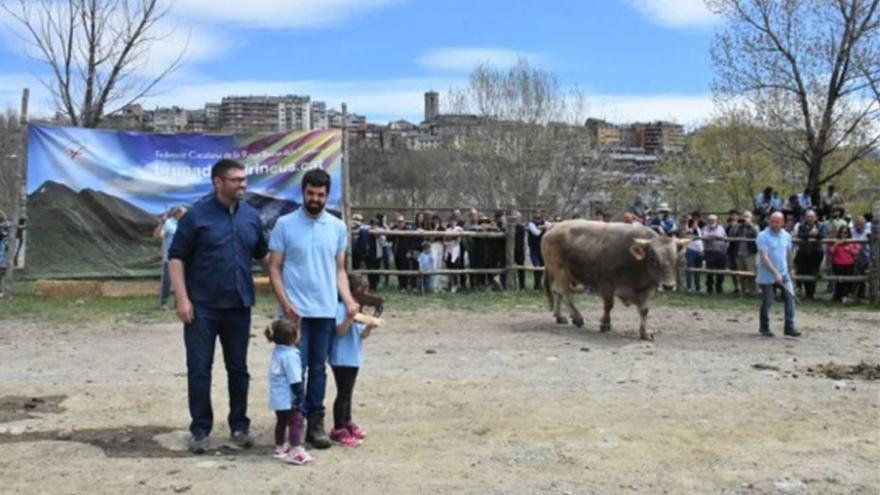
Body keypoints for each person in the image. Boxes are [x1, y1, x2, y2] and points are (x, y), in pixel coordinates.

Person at [168, 159, 269, 454]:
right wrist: (183, 299)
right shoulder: (196, 216)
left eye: (244, 179)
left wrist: (287, 285)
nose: (243, 184)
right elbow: (176, 258)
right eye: (236, 179)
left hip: (239, 306)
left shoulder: (250, 216)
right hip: (202, 309)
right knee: (199, 369)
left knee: (239, 369)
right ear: (218, 182)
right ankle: (200, 430)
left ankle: (239, 425)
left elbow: (264, 256)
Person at [267, 168, 358, 450]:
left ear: (327, 195)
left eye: (320, 194)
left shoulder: (338, 227)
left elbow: (339, 269)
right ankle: (295, 420)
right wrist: (286, 304)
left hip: (325, 311)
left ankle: (315, 425)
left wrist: (349, 300)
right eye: (310, 193)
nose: (315, 198)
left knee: (318, 369)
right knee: (296, 368)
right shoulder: (284, 224)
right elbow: (274, 267)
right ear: (303, 192)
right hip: (296, 314)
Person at [329, 274, 377, 447]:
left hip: (354, 356)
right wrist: (350, 317)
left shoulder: (358, 309)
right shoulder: (340, 308)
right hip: (341, 357)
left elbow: (361, 334)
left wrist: (370, 327)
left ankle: (347, 420)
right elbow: (340, 331)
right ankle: (338, 428)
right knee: (343, 393)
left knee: (348, 393)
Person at [265, 319, 313, 465]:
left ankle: (280, 446)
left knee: (281, 421)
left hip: (277, 397)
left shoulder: (277, 352)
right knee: (296, 421)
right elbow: (294, 379)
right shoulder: (291, 356)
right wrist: (299, 397)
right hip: (289, 397)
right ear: (294, 337)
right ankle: (296, 450)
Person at [756, 211, 800, 337]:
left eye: (777, 222)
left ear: (783, 223)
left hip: (784, 272)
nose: (774, 224)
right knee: (768, 300)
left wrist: (791, 269)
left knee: (790, 298)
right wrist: (775, 273)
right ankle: (764, 327)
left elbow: (788, 254)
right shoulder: (762, 236)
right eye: (772, 221)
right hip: (767, 274)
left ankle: (789, 326)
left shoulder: (786, 235)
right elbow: (764, 257)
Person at [155, 206, 187, 310]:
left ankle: (178, 302)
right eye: (184, 213)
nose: (186, 216)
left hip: (182, 257)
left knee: (182, 280)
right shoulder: (168, 223)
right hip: (169, 258)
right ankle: (163, 303)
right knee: (167, 281)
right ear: (177, 214)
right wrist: (162, 223)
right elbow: (158, 235)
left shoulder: (184, 224)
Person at [794, 210, 824, 299]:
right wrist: (810, 234)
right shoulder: (801, 226)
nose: (810, 219)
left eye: (812, 217)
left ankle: (811, 293)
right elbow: (800, 235)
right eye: (808, 217)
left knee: (813, 272)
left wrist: (817, 234)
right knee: (803, 271)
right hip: (804, 253)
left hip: (816, 253)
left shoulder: (820, 226)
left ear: (815, 217)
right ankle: (801, 290)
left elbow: (822, 235)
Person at [828, 226, 861, 304]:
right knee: (840, 281)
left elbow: (857, 252)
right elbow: (831, 251)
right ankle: (838, 296)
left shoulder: (852, 241)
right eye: (842, 232)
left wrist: (850, 249)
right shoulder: (835, 241)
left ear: (848, 233)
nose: (844, 234)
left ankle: (844, 296)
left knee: (847, 281)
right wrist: (837, 244)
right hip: (837, 264)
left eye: (845, 232)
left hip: (849, 264)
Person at [732, 210, 759, 296]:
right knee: (741, 274)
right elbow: (731, 235)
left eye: (747, 216)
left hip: (750, 254)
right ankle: (743, 291)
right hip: (738, 254)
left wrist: (751, 225)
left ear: (751, 218)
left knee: (751, 274)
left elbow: (759, 236)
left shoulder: (755, 227)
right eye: (744, 216)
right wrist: (735, 225)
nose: (745, 218)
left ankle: (752, 291)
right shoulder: (738, 227)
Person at [701, 214, 728, 295]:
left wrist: (725, 250)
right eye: (710, 220)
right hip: (709, 252)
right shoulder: (705, 228)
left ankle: (719, 288)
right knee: (710, 272)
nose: (712, 221)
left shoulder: (721, 228)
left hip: (720, 253)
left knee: (720, 272)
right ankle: (709, 288)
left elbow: (725, 239)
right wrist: (714, 236)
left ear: (716, 221)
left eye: (713, 220)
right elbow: (704, 237)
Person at [390, 215, 415, 292]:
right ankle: (401, 285)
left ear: (404, 222)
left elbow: (412, 242)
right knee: (399, 269)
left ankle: (405, 286)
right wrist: (393, 232)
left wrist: (410, 251)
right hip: (396, 252)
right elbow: (388, 238)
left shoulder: (408, 230)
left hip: (405, 253)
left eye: (401, 221)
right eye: (398, 221)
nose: (400, 223)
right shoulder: (394, 229)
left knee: (405, 269)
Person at [527, 211, 550, 289]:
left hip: (544, 248)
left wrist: (544, 227)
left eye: (539, 218)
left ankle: (546, 285)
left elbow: (552, 226)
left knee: (545, 266)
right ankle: (537, 284)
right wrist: (544, 228)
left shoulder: (546, 223)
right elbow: (536, 233)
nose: (538, 220)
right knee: (537, 266)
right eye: (536, 218)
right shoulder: (531, 224)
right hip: (534, 249)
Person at [850, 216, 870, 301]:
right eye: (857, 222)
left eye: (861, 222)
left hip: (867, 257)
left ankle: (862, 295)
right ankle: (852, 294)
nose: (858, 224)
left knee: (866, 276)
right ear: (854, 223)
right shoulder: (851, 232)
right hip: (855, 258)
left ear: (864, 223)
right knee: (856, 275)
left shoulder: (868, 231)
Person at [684, 212, 705, 293]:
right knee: (690, 268)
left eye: (697, 218)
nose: (695, 219)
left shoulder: (703, 225)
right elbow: (687, 234)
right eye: (694, 218)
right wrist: (693, 227)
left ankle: (698, 287)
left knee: (698, 268)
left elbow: (703, 235)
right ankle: (689, 287)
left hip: (700, 249)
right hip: (690, 248)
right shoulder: (687, 224)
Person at [443, 216, 464, 292]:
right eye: (451, 221)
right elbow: (445, 241)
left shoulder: (459, 228)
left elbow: (457, 236)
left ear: (456, 222)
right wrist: (450, 239)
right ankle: (450, 284)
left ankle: (456, 285)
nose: (452, 223)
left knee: (455, 269)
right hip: (448, 251)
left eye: (454, 221)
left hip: (455, 251)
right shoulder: (447, 230)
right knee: (449, 269)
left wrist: (450, 238)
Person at [725, 210, 740, 294]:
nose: (733, 217)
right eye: (731, 215)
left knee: (740, 269)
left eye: (735, 215)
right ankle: (736, 287)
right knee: (733, 270)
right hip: (730, 250)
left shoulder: (741, 226)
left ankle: (744, 287)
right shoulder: (727, 227)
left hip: (739, 251)